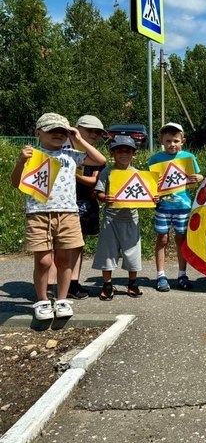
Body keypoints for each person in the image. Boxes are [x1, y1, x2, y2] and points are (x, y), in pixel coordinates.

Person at [11, 113, 106, 320]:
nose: (58, 134)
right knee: (44, 261)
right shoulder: (32, 155)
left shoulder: (71, 154)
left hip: (68, 213)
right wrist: (20, 162)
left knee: (65, 259)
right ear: (38, 132)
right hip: (38, 214)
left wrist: (78, 139)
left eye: (62, 131)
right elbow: (16, 183)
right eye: (51, 130)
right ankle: (42, 300)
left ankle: (62, 299)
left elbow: (100, 160)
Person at [148, 122, 203, 292]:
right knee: (162, 239)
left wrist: (198, 178)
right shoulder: (155, 159)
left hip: (183, 205)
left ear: (182, 141)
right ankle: (160, 275)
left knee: (181, 240)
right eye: (168, 141)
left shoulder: (188, 157)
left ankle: (182, 274)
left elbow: (199, 176)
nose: (172, 144)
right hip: (163, 206)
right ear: (161, 141)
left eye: (176, 141)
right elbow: (150, 184)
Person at [92, 136, 145, 300]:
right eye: (119, 151)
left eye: (128, 151)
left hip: (131, 218)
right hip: (111, 218)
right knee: (107, 252)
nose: (124, 154)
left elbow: (147, 195)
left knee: (133, 252)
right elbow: (98, 192)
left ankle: (132, 283)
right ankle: (107, 285)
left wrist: (152, 198)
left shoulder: (138, 174)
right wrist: (104, 198)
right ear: (112, 153)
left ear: (134, 154)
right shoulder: (107, 172)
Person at [69, 115, 107, 299]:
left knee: (78, 245)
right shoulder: (62, 149)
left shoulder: (92, 154)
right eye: (89, 130)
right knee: (56, 247)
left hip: (85, 204)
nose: (94, 134)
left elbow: (95, 179)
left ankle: (73, 282)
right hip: (61, 204)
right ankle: (54, 284)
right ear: (77, 128)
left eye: (97, 133)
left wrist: (69, 172)